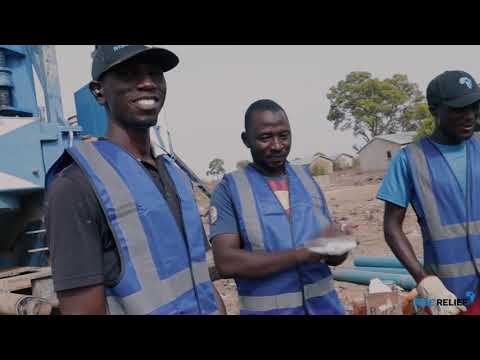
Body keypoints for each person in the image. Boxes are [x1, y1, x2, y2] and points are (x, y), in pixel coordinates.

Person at [45, 45, 225, 315]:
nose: (147, 83)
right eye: (129, 74)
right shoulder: (75, 186)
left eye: (155, 73)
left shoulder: (176, 177)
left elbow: (202, 282)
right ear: (98, 92)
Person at [209, 99, 350, 315]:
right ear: (246, 139)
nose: (277, 145)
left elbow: (331, 257)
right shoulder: (230, 190)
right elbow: (226, 262)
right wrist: (304, 253)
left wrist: (338, 246)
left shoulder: (306, 180)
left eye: (283, 136)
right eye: (265, 137)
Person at [378, 70, 480, 315]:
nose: (470, 116)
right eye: (458, 109)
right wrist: (424, 282)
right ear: (434, 110)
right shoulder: (409, 160)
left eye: (474, 106)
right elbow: (392, 227)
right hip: (446, 295)